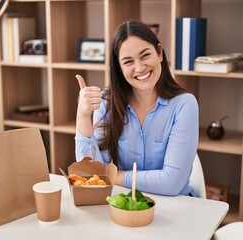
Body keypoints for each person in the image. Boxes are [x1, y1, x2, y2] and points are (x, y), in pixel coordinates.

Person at [75, 20, 199, 196]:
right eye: (128, 61)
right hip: (123, 205)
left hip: (175, 208)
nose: (140, 68)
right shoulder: (107, 102)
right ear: (119, 68)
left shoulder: (184, 105)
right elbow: (89, 172)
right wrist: (83, 115)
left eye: (145, 55)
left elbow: (171, 183)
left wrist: (112, 175)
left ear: (160, 53)